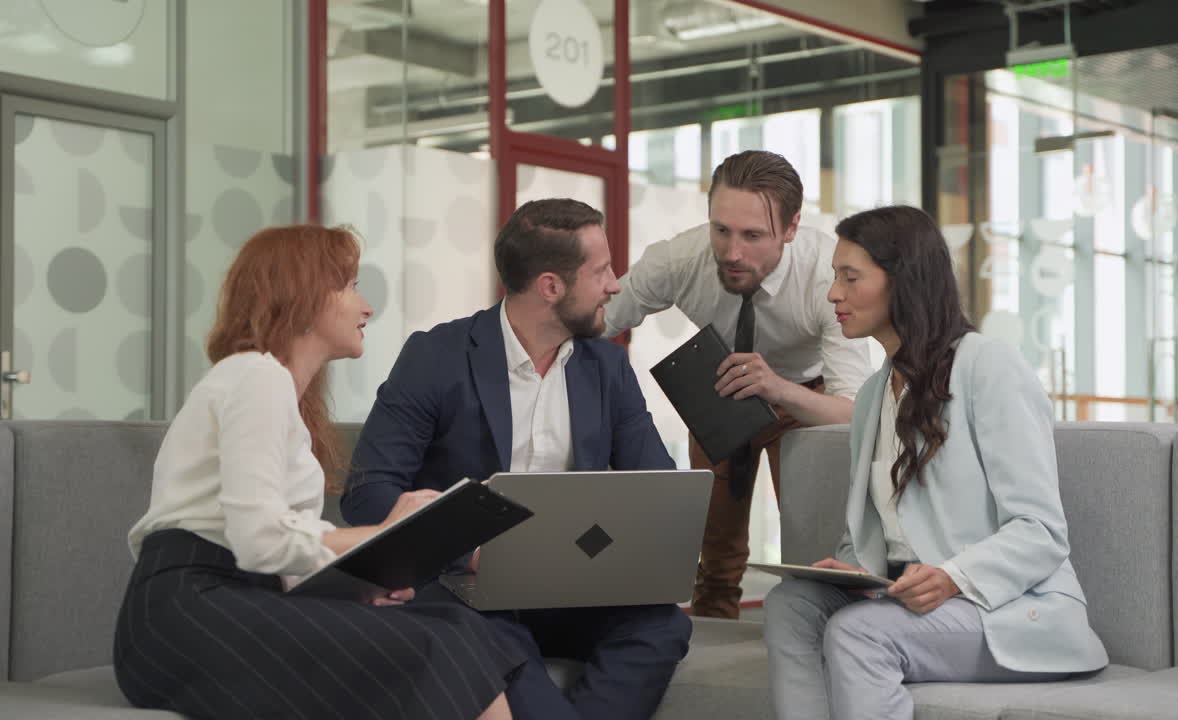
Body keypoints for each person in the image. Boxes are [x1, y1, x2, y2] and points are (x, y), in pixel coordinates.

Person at [114, 225, 521, 720]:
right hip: (187, 613)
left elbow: (274, 550)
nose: (366, 307)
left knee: (459, 628)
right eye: (351, 286)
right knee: (436, 646)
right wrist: (384, 533)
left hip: (235, 599)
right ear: (305, 297)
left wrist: (364, 577)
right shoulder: (255, 377)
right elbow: (260, 539)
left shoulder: (275, 391)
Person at [342, 198, 691, 720]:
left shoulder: (609, 368)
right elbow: (368, 493)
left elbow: (662, 490)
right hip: (467, 590)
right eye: (600, 271)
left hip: (578, 586)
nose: (615, 285)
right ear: (551, 287)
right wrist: (471, 555)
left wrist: (644, 559)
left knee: (661, 623)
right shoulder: (436, 356)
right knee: (484, 634)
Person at [763, 205, 1108, 720]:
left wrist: (951, 577)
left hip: (1009, 611)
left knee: (857, 633)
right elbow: (883, 531)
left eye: (850, 277)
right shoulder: (872, 397)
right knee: (789, 605)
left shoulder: (988, 367)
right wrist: (854, 570)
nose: (833, 294)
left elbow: (1041, 530)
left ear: (902, 282)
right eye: (834, 277)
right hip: (910, 601)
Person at [604, 150, 875, 619]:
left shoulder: (826, 277)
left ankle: (817, 633)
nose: (732, 253)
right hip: (723, 384)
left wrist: (778, 388)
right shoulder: (679, 260)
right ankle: (706, 654)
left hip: (805, 396)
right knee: (716, 551)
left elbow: (854, 409)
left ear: (790, 230)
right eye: (721, 230)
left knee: (811, 540)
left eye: (753, 236)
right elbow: (595, 322)